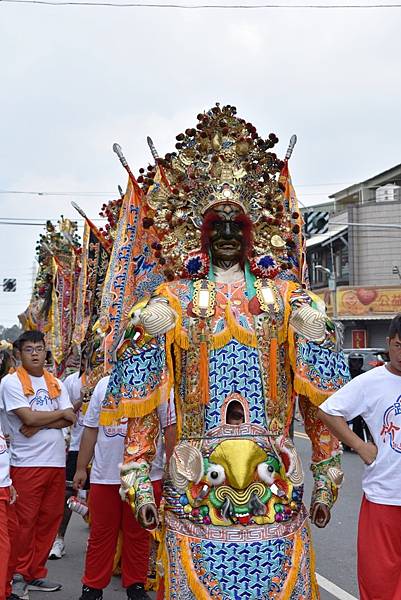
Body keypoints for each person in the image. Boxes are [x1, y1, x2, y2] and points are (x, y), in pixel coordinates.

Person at [99, 105, 349, 598]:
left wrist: (324, 475)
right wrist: (135, 476)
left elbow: (318, 404)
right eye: (219, 226)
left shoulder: (290, 301)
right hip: (196, 489)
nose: (230, 236)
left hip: (272, 489)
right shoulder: (169, 303)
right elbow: (145, 406)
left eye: (239, 226)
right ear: (201, 233)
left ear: (255, 233)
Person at [318, 314, 401, 600]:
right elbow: (328, 411)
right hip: (384, 498)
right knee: (379, 585)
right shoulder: (371, 382)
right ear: (388, 343)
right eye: (399, 345)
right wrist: (360, 445)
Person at [74, 375, 176, 600]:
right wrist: (81, 467)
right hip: (105, 476)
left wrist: (171, 468)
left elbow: (169, 428)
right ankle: (92, 587)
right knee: (101, 534)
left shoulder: (160, 384)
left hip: (145, 476)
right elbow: (91, 428)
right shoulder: (103, 384)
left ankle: (135, 586)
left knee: (139, 533)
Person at [1, 331, 76, 598]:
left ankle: (34, 574)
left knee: (49, 522)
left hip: (56, 463)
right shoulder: (11, 383)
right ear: (18, 354)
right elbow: (27, 419)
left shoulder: (55, 382)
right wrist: (46, 419)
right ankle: (17, 575)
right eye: (29, 348)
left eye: (40, 348)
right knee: (24, 524)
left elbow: (70, 418)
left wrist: (38, 421)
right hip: (26, 464)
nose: (35, 353)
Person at [49, 369, 85, 560]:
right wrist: (83, 396)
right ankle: (59, 539)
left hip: (105, 446)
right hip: (78, 445)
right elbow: (66, 412)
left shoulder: (113, 377)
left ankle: (98, 538)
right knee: (68, 493)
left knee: (101, 494)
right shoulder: (72, 381)